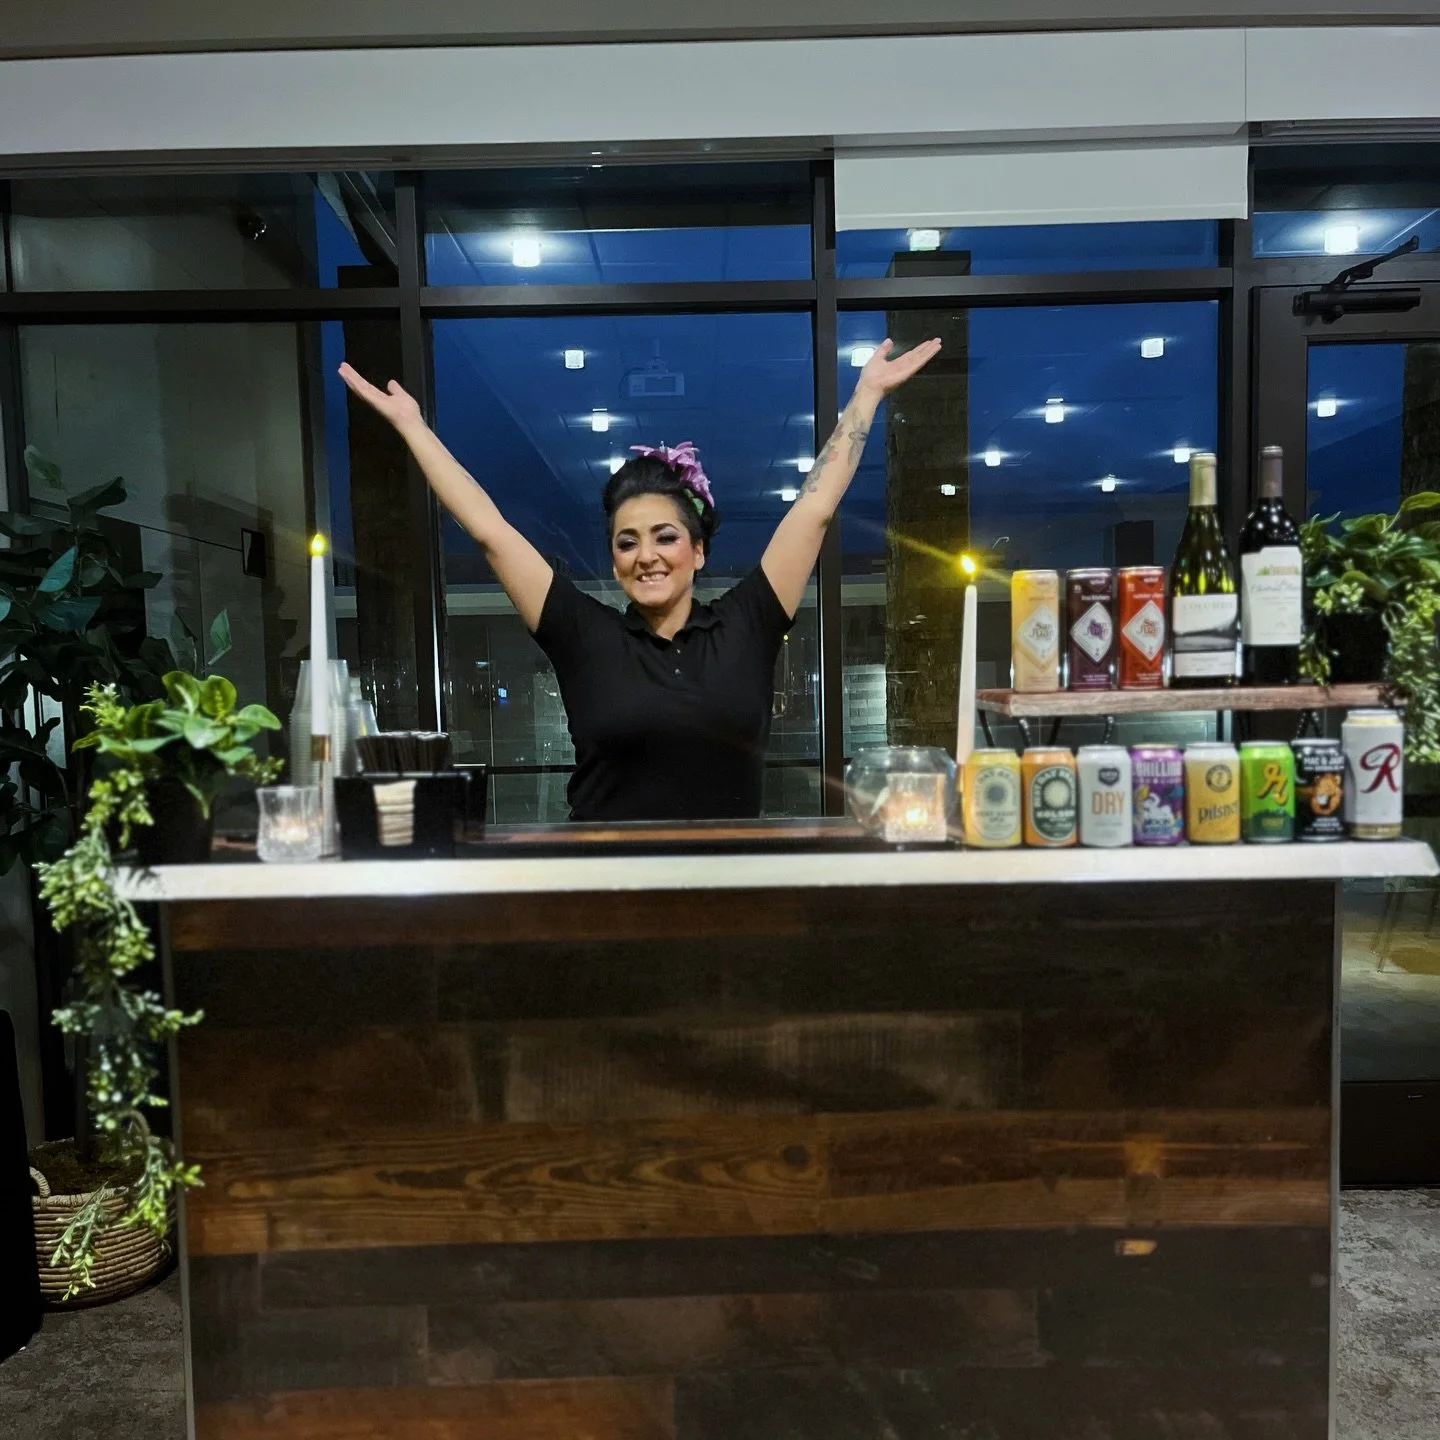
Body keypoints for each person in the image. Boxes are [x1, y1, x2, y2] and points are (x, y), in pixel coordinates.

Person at [338, 336, 941, 821]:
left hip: (730, 886)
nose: (645, 555)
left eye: (665, 536)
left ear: (698, 551)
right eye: (626, 542)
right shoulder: (584, 635)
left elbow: (813, 511)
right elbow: (490, 531)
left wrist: (865, 396)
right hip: (601, 887)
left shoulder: (747, 624)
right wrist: (413, 427)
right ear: (614, 560)